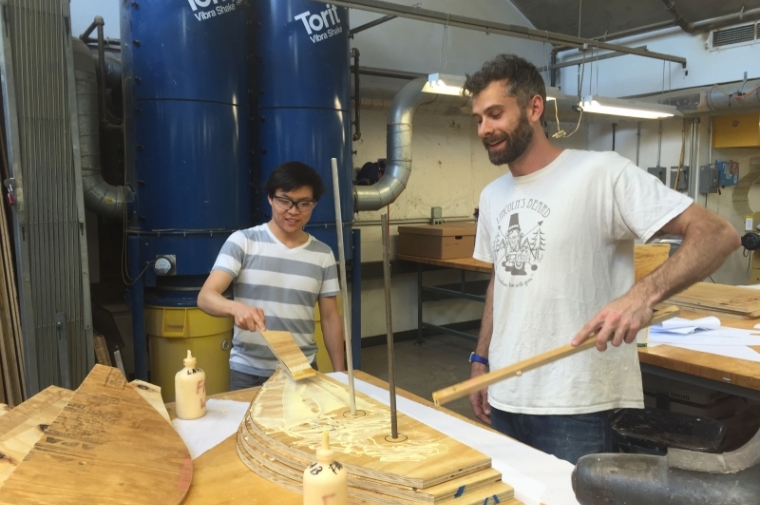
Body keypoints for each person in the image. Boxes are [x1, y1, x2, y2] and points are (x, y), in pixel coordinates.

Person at [464, 54, 740, 464]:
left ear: (534, 108)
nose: (485, 129)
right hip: (507, 396)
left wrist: (641, 296)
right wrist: (482, 358)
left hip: (580, 404)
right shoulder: (492, 196)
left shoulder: (602, 173)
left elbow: (718, 234)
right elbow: (500, 283)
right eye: (479, 119)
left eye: (495, 114)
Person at [197, 161, 345, 390]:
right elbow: (206, 296)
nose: (293, 211)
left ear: (314, 204)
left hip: (301, 368)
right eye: (285, 201)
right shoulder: (243, 242)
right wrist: (236, 308)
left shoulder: (323, 254)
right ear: (270, 198)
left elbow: (330, 317)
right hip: (248, 371)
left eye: (304, 204)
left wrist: (340, 373)